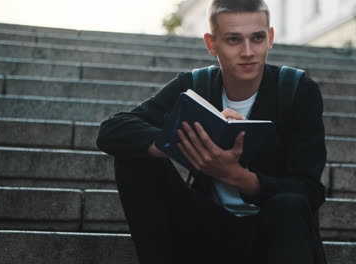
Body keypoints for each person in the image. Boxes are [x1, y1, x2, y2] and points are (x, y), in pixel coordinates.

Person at [96, 0, 327, 263]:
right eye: (233, 40)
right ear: (211, 43)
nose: (248, 51)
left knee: (290, 204)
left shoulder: (297, 90)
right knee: (135, 157)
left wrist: (236, 176)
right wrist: (176, 140)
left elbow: (310, 190)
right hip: (204, 231)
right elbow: (111, 130)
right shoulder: (196, 86)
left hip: (274, 234)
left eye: (258, 38)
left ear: (270, 37)